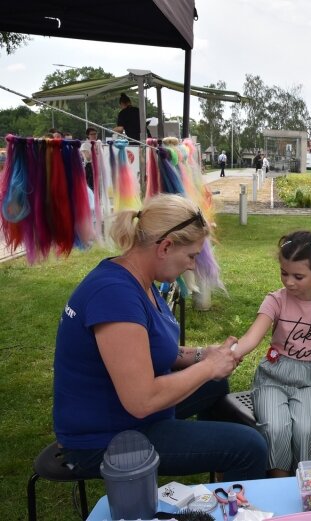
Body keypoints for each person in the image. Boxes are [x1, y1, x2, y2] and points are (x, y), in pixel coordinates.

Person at [53, 193, 268, 480]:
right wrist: (207, 367)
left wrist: (204, 355)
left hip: (122, 415)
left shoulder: (137, 278)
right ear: (165, 247)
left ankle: (221, 477)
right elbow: (141, 401)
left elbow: (150, 347)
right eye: (191, 255)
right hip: (105, 437)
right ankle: (230, 494)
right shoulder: (114, 295)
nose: (192, 265)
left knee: (215, 384)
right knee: (250, 447)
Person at [231, 230, 311, 477]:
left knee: (307, 429)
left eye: (298, 276)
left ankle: (303, 484)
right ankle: (279, 484)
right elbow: (251, 338)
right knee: (276, 427)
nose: (288, 282)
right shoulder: (275, 300)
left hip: (310, 382)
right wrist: (227, 355)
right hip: (272, 377)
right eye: (284, 273)